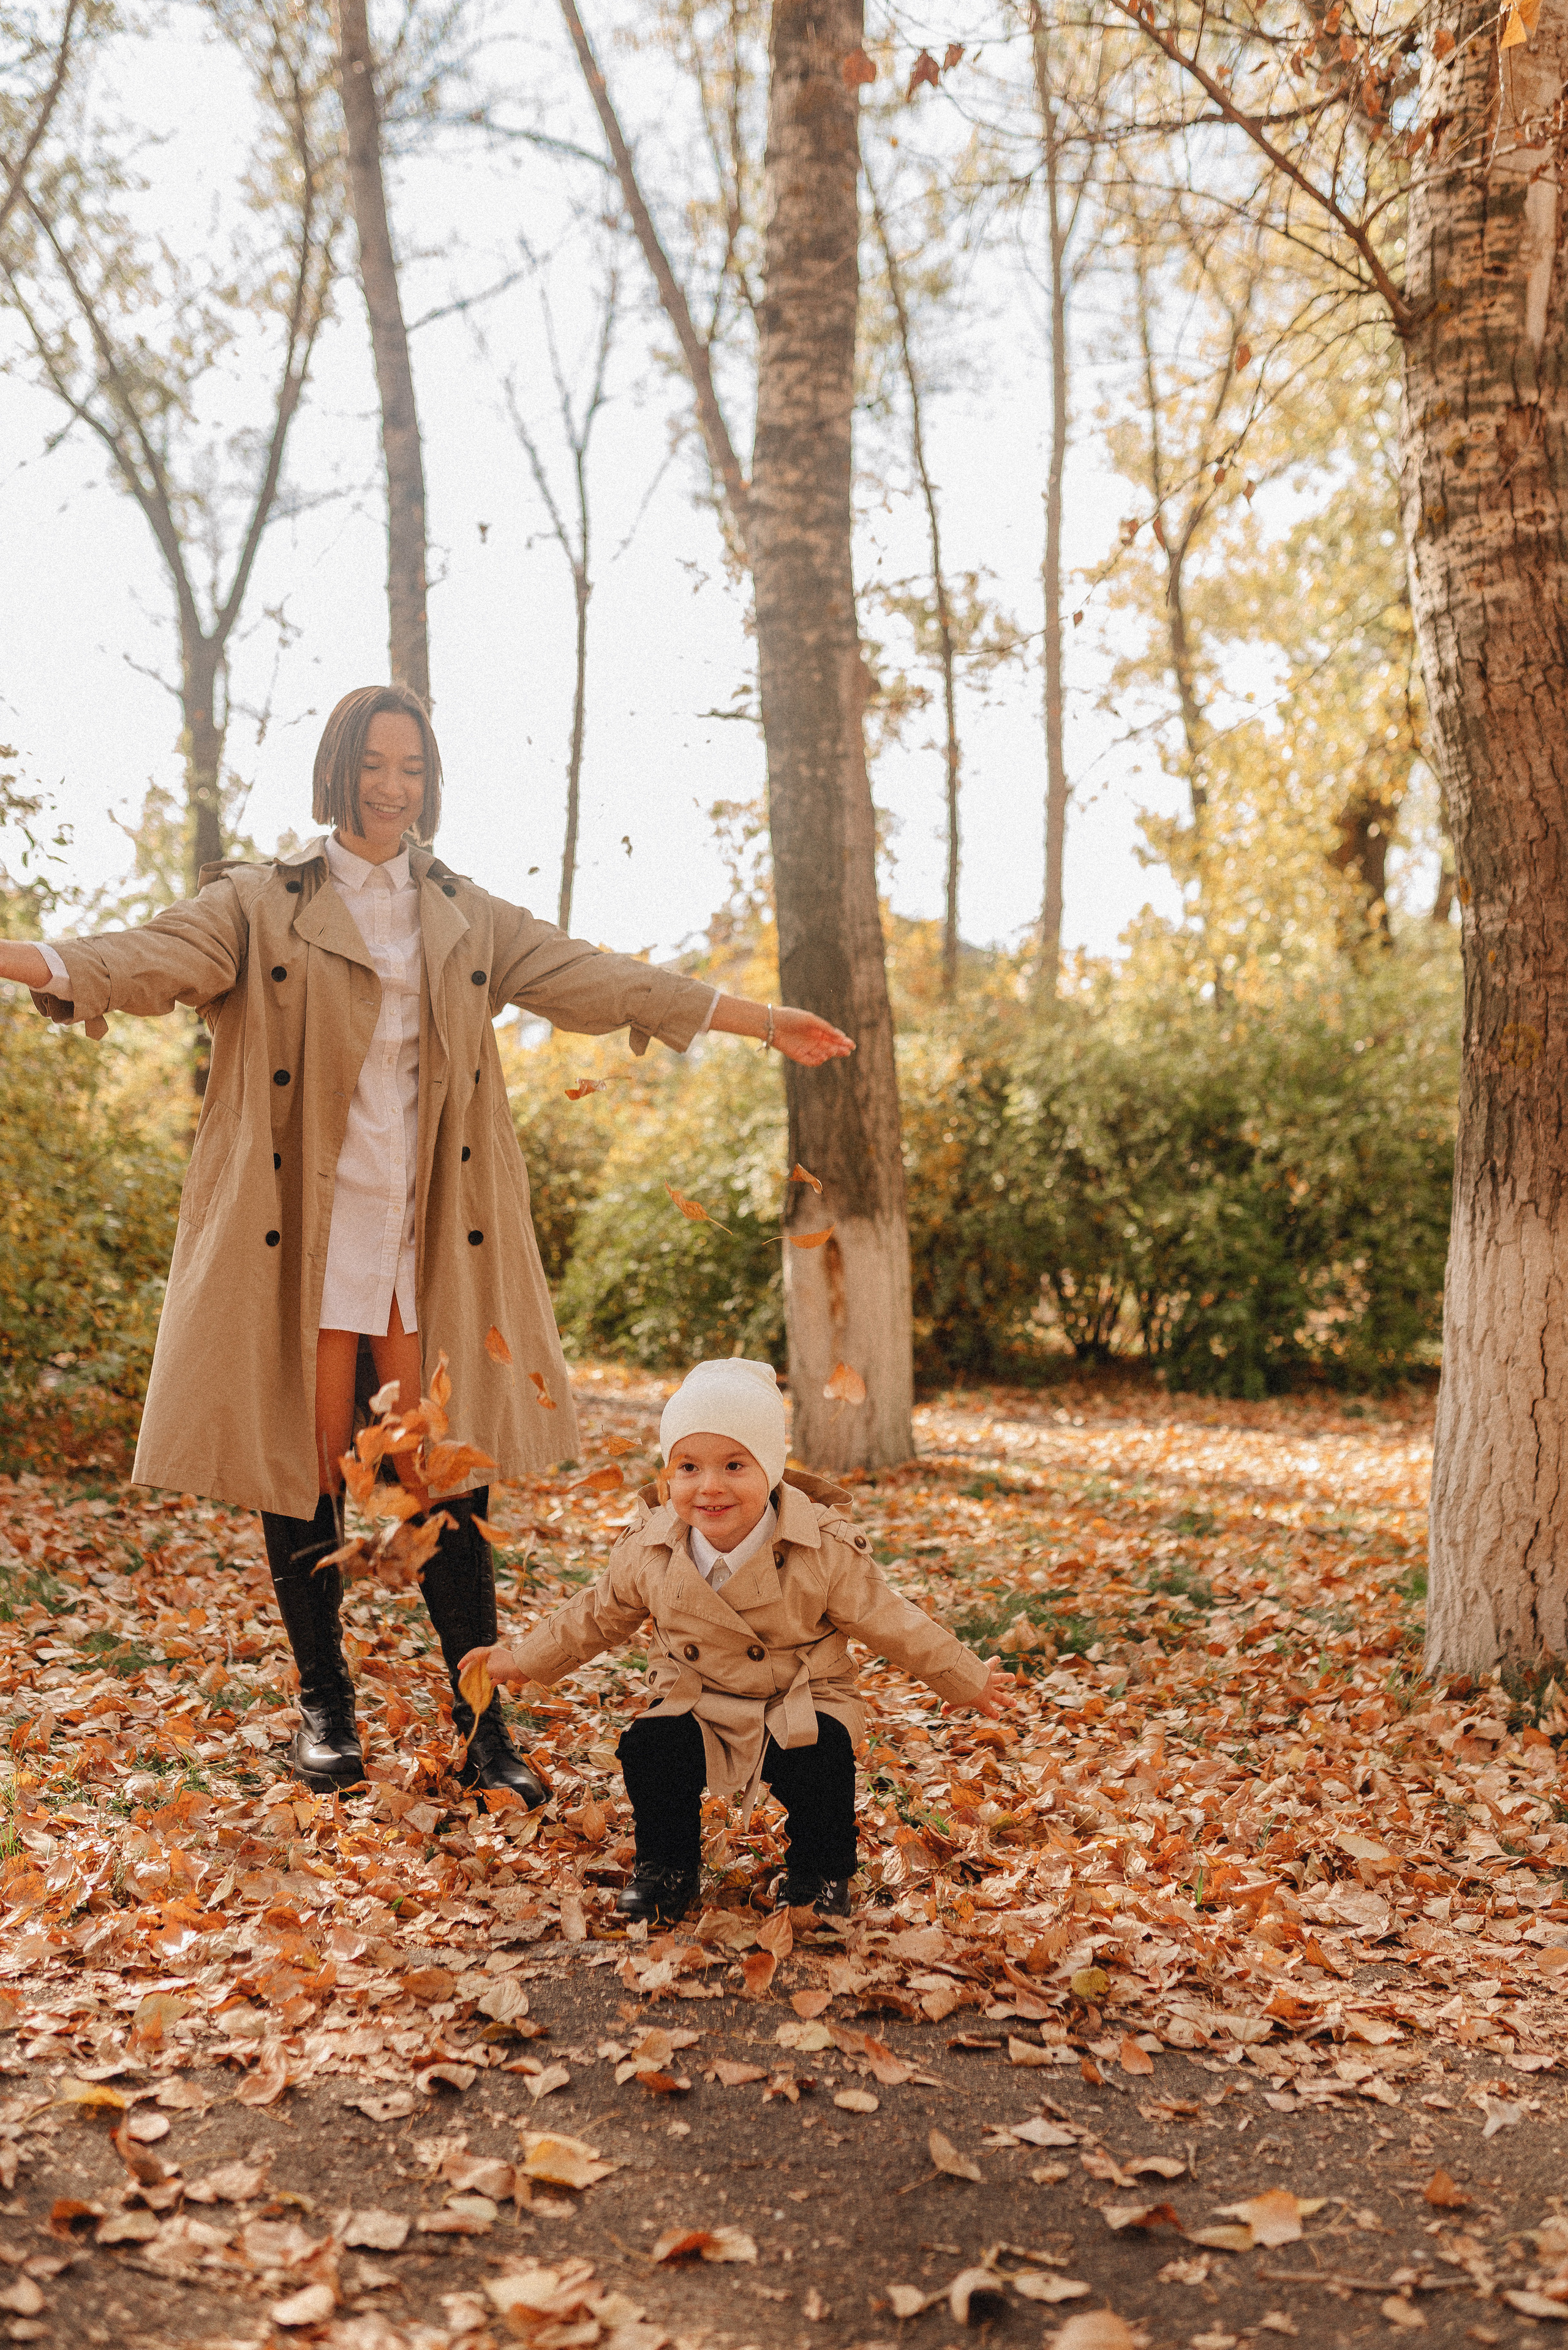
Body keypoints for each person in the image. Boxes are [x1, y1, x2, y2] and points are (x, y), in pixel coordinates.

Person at [0, 687, 854, 1802]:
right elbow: (138, 957)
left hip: (429, 1237)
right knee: (302, 1470)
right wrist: (20, 954)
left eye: (410, 765)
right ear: (338, 770)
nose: (390, 784)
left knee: (443, 1483)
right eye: (372, 762)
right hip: (301, 1234)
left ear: (430, 778)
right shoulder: (259, 902)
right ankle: (326, 1712)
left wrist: (756, 1018)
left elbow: (602, 978)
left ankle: (481, 1721)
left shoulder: (466, 913)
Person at [462, 1357, 1011, 1922]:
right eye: (689, 1467)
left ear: (770, 1469)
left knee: (823, 1759)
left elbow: (891, 1619)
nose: (711, 1487)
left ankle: (820, 1873)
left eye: (734, 1465)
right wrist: (523, 1659)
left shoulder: (819, 1548)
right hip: (696, 1696)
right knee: (652, 1751)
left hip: (799, 1694)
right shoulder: (651, 1547)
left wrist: (965, 1679)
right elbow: (597, 1613)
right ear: (668, 1474)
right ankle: (667, 1866)